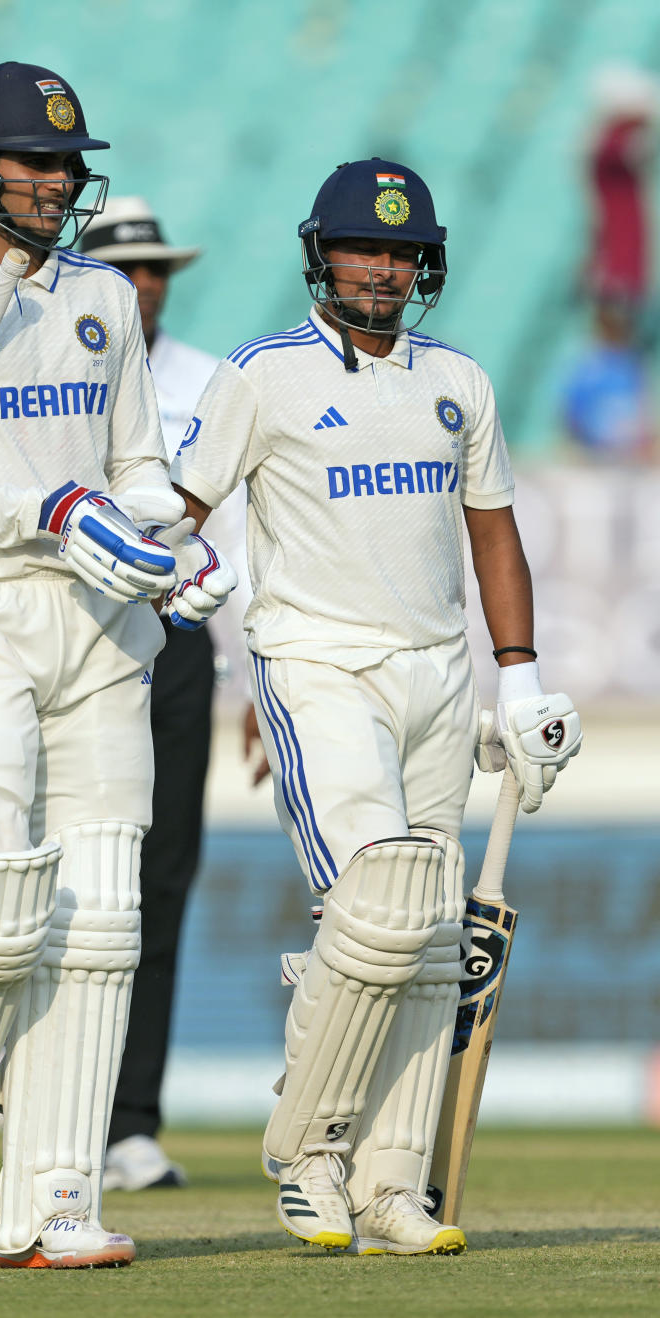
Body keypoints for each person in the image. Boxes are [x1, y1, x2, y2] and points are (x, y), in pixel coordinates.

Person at [0, 61, 235, 1271]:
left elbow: (134, 464)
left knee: (104, 916)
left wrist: (168, 541)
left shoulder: (107, 298)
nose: (60, 180)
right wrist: (52, 514)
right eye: (36, 161)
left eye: (69, 162)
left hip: (106, 628)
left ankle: (55, 1197)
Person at [169, 158, 582, 1256]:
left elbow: (492, 531)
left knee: (435, 939)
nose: (382, 269)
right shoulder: (262, 375)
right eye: (363, 248)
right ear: (321, 253)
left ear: (424, 263)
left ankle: (394, 1182)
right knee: (376, 910)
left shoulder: (460, 379)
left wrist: (523, 673)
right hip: (316, 663)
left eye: (401, 252)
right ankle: (308, 1153)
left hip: (439, 671)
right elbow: (181, 509)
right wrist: (182, 569)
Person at [78, 198, 247, 1190]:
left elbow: (246, 531)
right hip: (77, 634)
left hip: (179, 637)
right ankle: (38, 1095)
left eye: (157, 272)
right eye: (127, 268)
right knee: (57, 870)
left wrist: (260, 673)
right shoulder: (51, 360)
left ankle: (129, 1120)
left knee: (161, 876)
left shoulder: (204, 383)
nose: (145, 286)